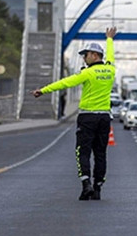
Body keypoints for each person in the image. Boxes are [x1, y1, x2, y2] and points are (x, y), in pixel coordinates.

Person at [32, 27, 117, 200]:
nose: (84, 58)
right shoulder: (111, 70)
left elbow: (65, 83)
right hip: (104, 118)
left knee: (82, 151)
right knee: (100, 153)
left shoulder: (87, 73)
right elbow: (111, 56)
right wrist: (109, 39)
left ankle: (86, 184)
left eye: (86, 55)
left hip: (87, 117)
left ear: (94, 55)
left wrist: (43, 90)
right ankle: (98, 188)